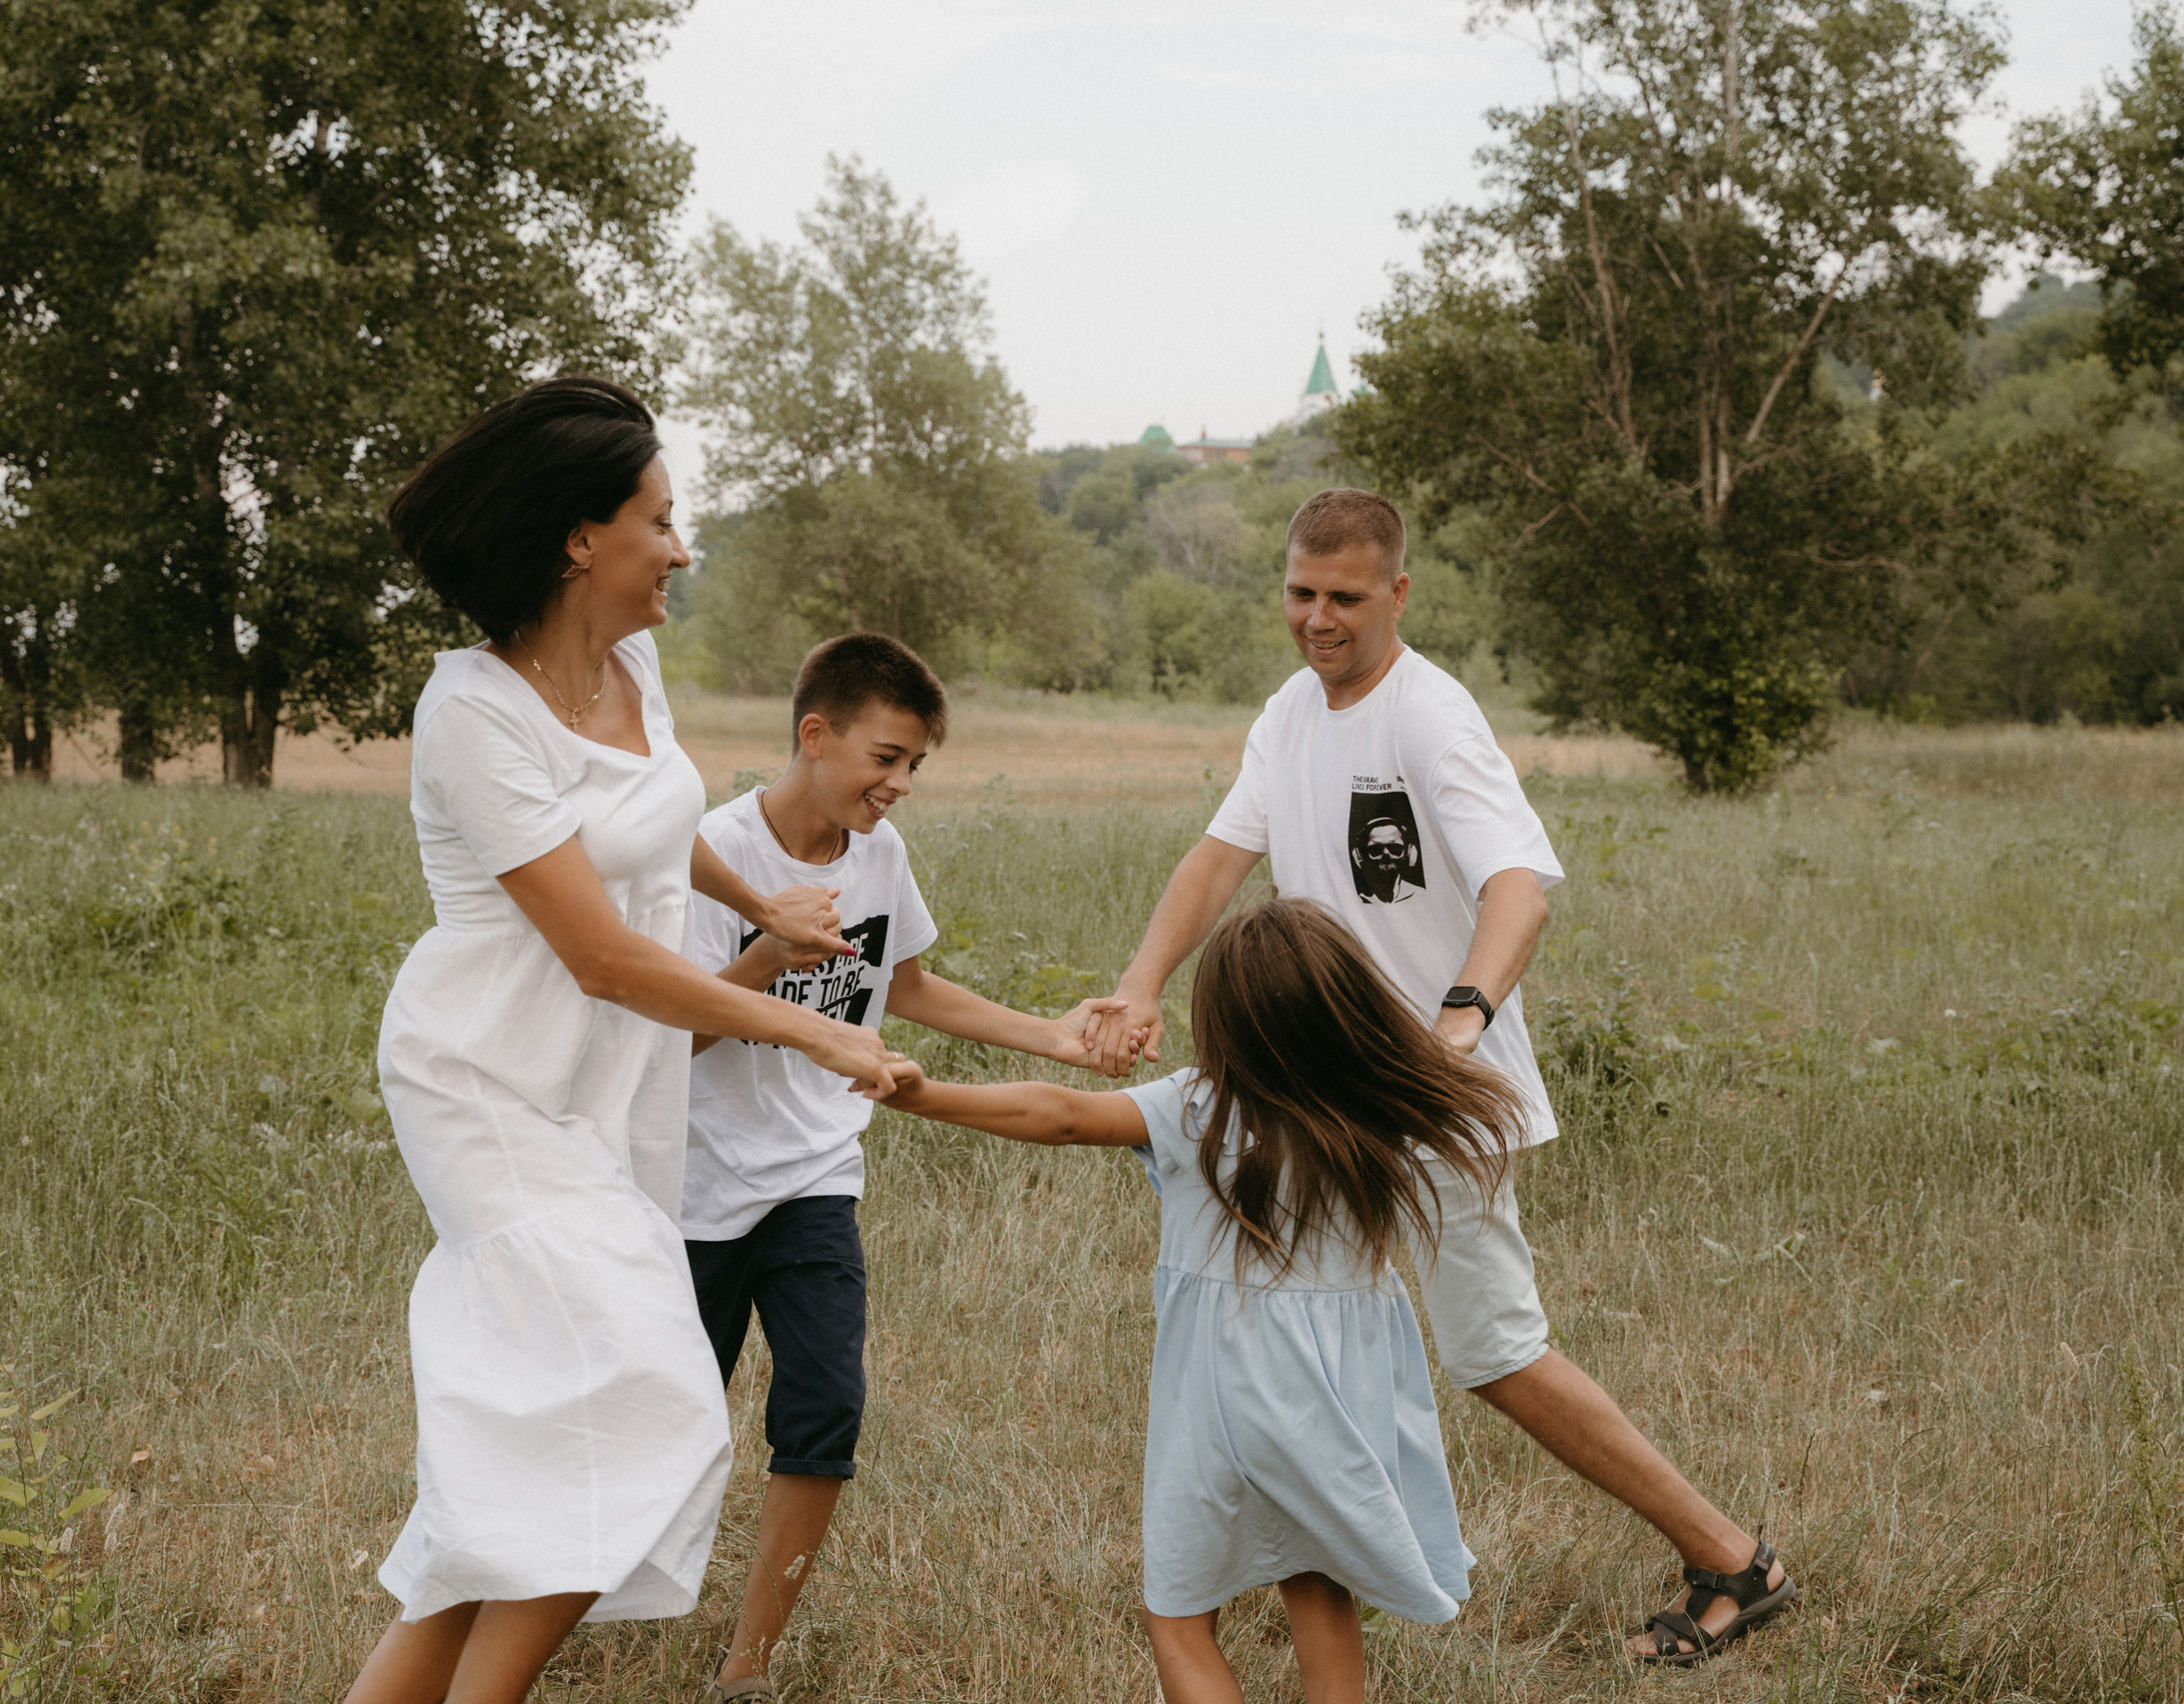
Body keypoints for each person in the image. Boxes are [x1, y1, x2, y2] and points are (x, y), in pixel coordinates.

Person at [1083, 488, 1795, 1667]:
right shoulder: (1289, 714)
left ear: (1397, 593)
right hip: (1338, 1090)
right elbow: (1220, 856)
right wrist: (1144, 982)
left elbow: (1520, 883)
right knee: (1284, 1318)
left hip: (1435, 1095)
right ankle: (1300, 1571)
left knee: (1490, 1350)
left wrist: (1456, 1027)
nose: (1318, 619)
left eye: (1345, 598)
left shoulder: (1429, 716)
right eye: (1301, 593)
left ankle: (1733, 1559)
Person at [342, 376, 903, 1704]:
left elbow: (651, 828)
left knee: (543, 1444)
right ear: (578, 537)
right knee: (647, 1394)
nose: (681, 544)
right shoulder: (471, 712)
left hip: (605, 1091)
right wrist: (801, 1027)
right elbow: (597, 952)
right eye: (659, 517)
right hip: (488, 1078)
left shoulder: (629, 661)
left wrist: (758, 898)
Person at [874, 898, 1517, 1704]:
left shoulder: (1198, 1108)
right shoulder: (1376, 1106)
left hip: (1223, 1400)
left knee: (1179, 1616)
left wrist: (924, 1094)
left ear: (1224, 1021)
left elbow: (1062, 1115)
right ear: (1348, 1005)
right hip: (1340, 1404)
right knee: (1318, 1580)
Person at [681, 632, 1132, 1704]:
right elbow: (664, 1035)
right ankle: (565, 1598)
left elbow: (909, 987)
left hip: (813, 1178)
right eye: (885, 757)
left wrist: (1052, 1037)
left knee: (825, 1407)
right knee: (672, 1421)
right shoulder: (708, 853)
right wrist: (763, 958)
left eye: (915, 765)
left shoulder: (876, 856)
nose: (899, 785)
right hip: (692, 1190)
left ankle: (747, 1669)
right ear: (813, 734)